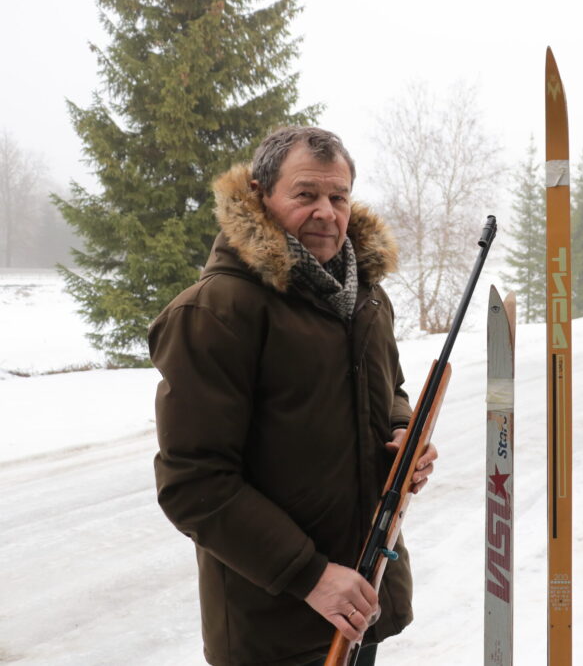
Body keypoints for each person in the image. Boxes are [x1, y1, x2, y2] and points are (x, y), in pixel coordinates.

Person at [150, 126, 436, 666]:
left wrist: (401, 435)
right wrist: (312, 577)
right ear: (261, 195)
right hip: (273, 628)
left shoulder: (366, 298)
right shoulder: (216, 312)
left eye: (338, 196)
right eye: (305, 194)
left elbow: (389, 391)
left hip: (361, 600)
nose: (326, 212)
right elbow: (194, 481)